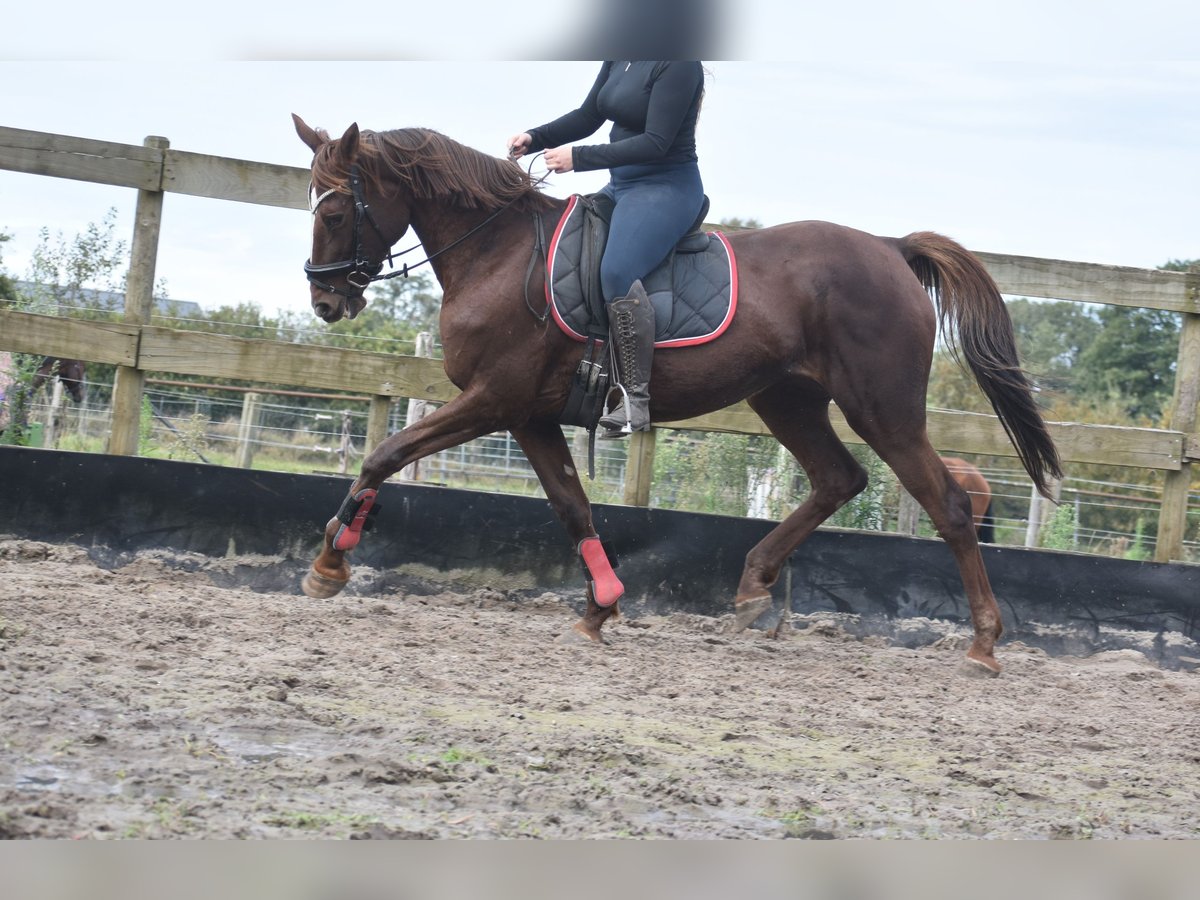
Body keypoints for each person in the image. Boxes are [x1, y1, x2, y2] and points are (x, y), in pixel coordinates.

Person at [508, 60, 706, 436]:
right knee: (565, 246)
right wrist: (536, 136)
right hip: (621, 187)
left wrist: (579, 159)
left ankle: (635, 400)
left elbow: (656, 142)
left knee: (616, 271)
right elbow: (589, 114)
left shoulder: (679, 64)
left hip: (666, 188)